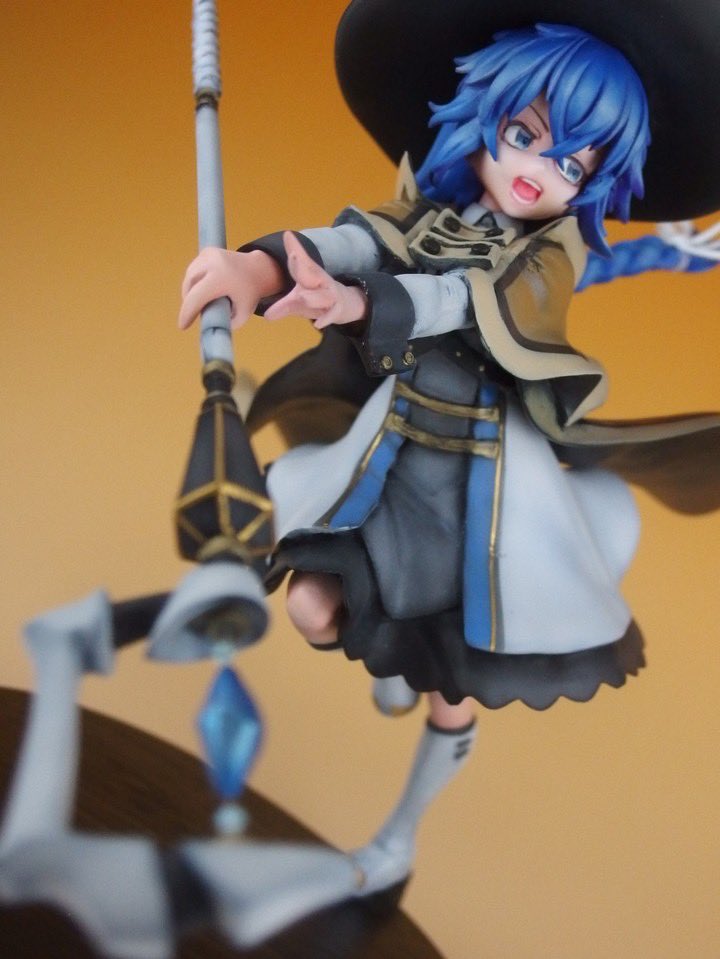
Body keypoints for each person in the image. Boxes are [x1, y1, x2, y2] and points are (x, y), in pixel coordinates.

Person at [178, 10, 720, 895]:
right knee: (311, 606)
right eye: (525, 136)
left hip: (484, 492)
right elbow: (359, 239)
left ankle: (397, 838)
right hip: (392, 453)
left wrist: (362, 305)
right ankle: (386, 648)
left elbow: (467, 300)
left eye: (572, 164)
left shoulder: (549, 258)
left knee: (451, 691)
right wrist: (261, 267)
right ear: (485, 117)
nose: (538, 170)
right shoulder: (432, 211)